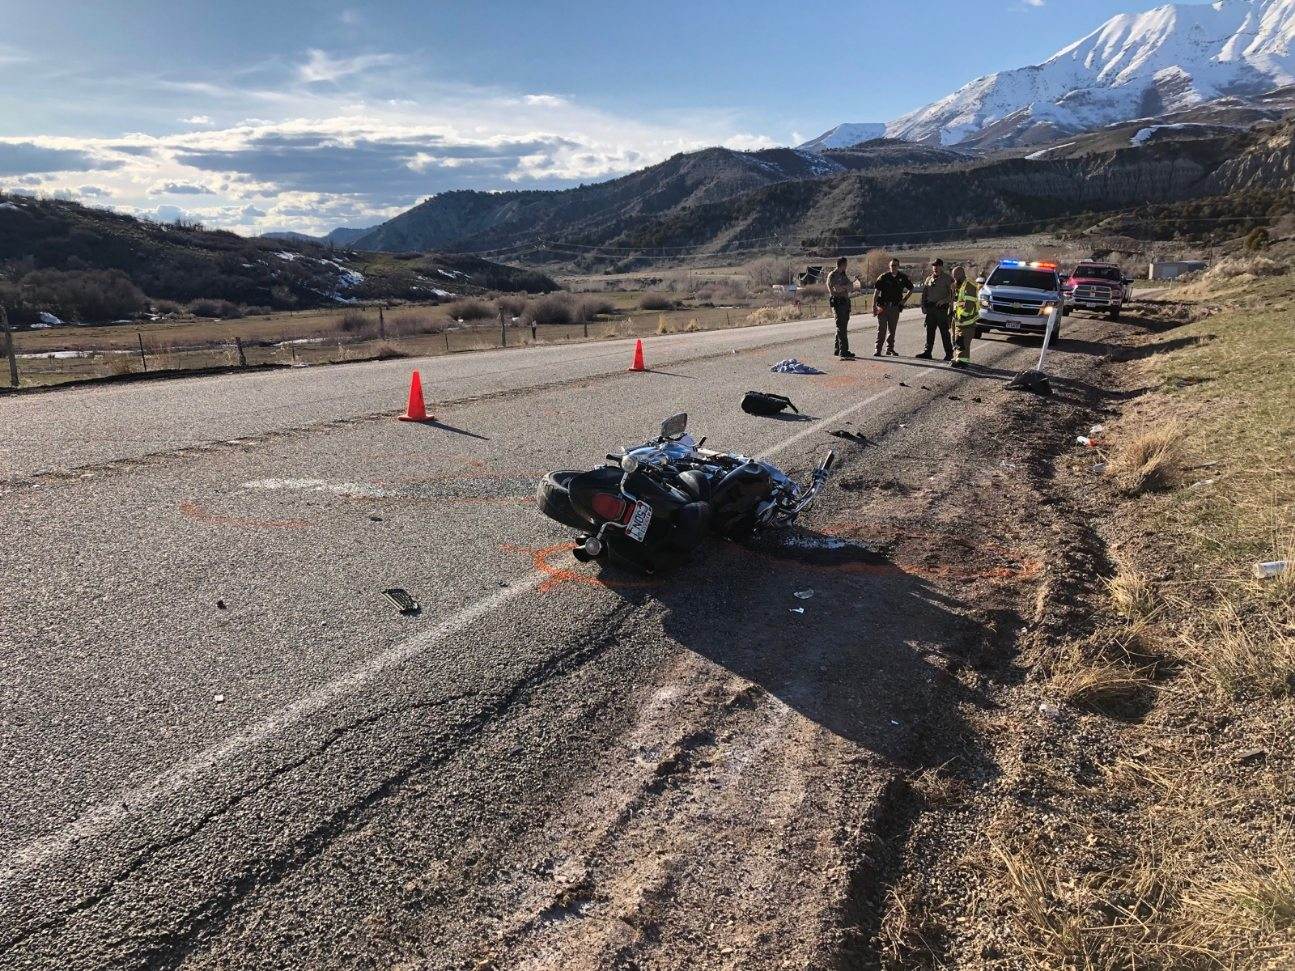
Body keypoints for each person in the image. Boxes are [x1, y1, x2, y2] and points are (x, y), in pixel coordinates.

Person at [872, 258, 913, 357]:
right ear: (889, 266)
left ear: (898, 266)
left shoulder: (903, 277)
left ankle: (890, 349)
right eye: (891, 265)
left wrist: (904, 300)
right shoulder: (883, 277)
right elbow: (876, 292)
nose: (893, 267)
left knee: (892, 330)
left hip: (895, 307)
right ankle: (878, 349)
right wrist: (873, 306)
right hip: (883, 306)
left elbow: (911, 288)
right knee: (881, 329)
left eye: (895, 265)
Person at [916, 258, 954, 361]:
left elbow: (953, 295)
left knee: (944, 333)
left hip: (941, 310)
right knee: (929, 331)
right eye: (934, 266)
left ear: (941, 266)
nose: (935, 267)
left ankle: (949, 354)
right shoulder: (929, 279)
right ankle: (927, 352)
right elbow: (924, 294)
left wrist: (944, 301)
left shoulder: (948, 279)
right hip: (930, 309)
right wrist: (923, 306)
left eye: (937, 265)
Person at [826, 256, 856, 359]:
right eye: (845, 264)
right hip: (838, 303)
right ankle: (844, 351)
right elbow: (836, 289)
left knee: (843, 326)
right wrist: (845, 287)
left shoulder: (843, 275)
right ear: (842, 265)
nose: (846, 266)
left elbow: (851, 287)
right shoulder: (833, 275)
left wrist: (844, 287)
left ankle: (837, 349)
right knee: (841, 327)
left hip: (845, 303)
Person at [950, 265, 980, 368]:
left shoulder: (969, 286)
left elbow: (969, 305)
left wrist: (963, 316)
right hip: (959, 320)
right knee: (958, 340)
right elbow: (958, 302)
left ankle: (962, 361)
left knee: (963, 341)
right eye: (953, 276)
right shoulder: (960, 286)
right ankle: (959, 359)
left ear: (961, 274)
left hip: (966, 320)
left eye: (956, 276)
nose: (954, 278)